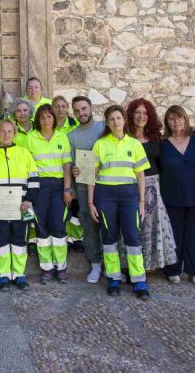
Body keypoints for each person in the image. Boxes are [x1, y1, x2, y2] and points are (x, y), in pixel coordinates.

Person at [87, 105, 150, 300]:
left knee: (132, 236)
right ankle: (114, 277)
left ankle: (139, 280)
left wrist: (141, 202)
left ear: (124, 120)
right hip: (105, 196)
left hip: (129, 196)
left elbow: (141, 175)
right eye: (112, 119)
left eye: (118, 118)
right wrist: (90, 203)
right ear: (107, 123)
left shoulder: (135, 144)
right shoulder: (99, 144)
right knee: (109, 236)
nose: (116, 122)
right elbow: (91, 176)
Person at [123, 99, 178, 273]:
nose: (141, 116)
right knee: (133, 226)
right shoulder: (124, 137)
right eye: (137, 112)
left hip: (153, 187)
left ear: (150, 116)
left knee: (152, 227)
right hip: (130, 186)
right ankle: (130, 265)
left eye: (145, 113)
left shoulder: (156, 138)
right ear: (131, 114)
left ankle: (150, 265)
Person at [0, 120, 39, 291]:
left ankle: (18, 274)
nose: (6, 134)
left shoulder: (24, 153)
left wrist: (29, 200)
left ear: (15, 134)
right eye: (2, 131)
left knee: (20, 239)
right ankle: (3, 275)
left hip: (22, 205)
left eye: (10, 131)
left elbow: (34, 179)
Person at [160, 105, 195, 285]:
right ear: (167, 122)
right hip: (171, 197)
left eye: (179, 117)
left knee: (194, 235)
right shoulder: (162, 144)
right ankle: (172, 269)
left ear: (185, 118)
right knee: (174, 235)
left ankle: (194, 271)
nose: (176, 122)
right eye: (171, 119)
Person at [27, 104, 73, 284]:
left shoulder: (63, 137)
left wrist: (67, 190)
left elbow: (67, 166)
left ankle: (61, 267)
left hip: (58, 186)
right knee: (41, 226)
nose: (46, 120)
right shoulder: (31, 138)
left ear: (54, 118)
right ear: (38, 119)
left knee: (58, 225)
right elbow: (28, 167)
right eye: (43, 117)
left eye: (49, 116)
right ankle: (46, 268)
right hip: (38, 187)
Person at [69, 96, 105, 283]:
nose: (81, 113)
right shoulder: (72, 135)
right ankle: (95, 264)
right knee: (89, 226)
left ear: (91, 108)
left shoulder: (104, 127)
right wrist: (75, 169)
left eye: (83, 108)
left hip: (106, 184)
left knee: (109, 224)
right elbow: (73, 162)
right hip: (83, 186)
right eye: (76, 110)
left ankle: (111, 263)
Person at [53, 95, 82, 253]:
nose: (60, 109)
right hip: (57, 171)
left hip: (73, 168)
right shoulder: (49, 125)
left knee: (74, 204)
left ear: (67, 108)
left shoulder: (74, 124)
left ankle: (76, 237)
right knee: (61, 205)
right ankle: (65, 236)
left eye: (63, 106)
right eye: (57, 106)